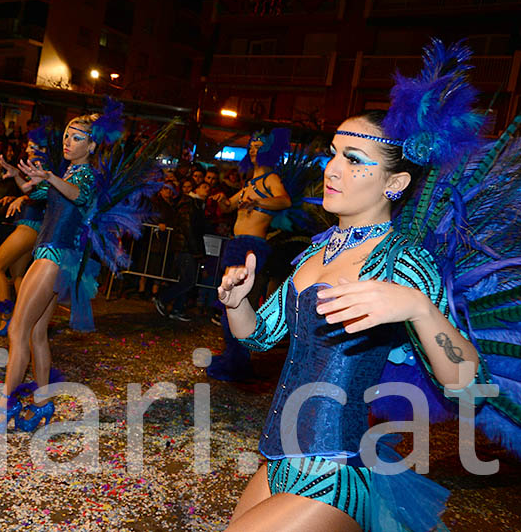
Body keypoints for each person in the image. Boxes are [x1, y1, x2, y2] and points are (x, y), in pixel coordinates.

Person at [216, 41, 511, 530]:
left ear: (393, 184)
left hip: (334, 472)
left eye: (355, 160)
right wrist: (238, 302)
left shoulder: (404, 263)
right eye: (333, 154)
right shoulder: (315, 251)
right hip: (276, 461)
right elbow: (257, 338)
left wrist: (419, 309)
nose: (332, 169)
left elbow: (469, 387)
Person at [0, 115, 100, 433]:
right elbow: (35, 193)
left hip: (54, 257)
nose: (68, 141)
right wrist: (17, 178)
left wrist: (48, 176)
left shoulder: (85, 175)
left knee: (17, 331)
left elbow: (80, 195)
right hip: (49, 255)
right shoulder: (69, 171)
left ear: (90, 145)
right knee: (35, 334)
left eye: (76, 138)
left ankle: (6, 406)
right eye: (66, 135)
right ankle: (42, 406)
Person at [207, 127, 292, 381]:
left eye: (259, 147)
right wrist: (221, 200)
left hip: (251, 247)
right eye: (251, 146)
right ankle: (232, 357)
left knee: (237, 304)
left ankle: (238, 363)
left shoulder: (270, 180)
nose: (254, 151)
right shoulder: (249, 184)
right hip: (236, 244)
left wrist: (257, 202)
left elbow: (285, 201)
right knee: (227, 306)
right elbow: (229, 205)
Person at [0, 137, 49, 337]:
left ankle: (7, 318)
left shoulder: (43, 167)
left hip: (29, 226)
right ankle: (25, 319)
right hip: (30, 225)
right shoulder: (36, 167)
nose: (28, 149)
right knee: (18, 275)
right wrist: (16, 178)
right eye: (29, 145)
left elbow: (41, 194)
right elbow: (28, 189)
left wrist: (22, 197)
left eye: (33, 146)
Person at [153, 181, 209, 321]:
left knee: (187, 280)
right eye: (204, 186)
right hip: (185, 248)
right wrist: (196, 250)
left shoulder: (196, 205)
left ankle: (177, 309)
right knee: (188, 281)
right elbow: (188, 229)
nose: (208, 189)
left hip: (187, 247)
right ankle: (164, 298)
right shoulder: (189, 205)